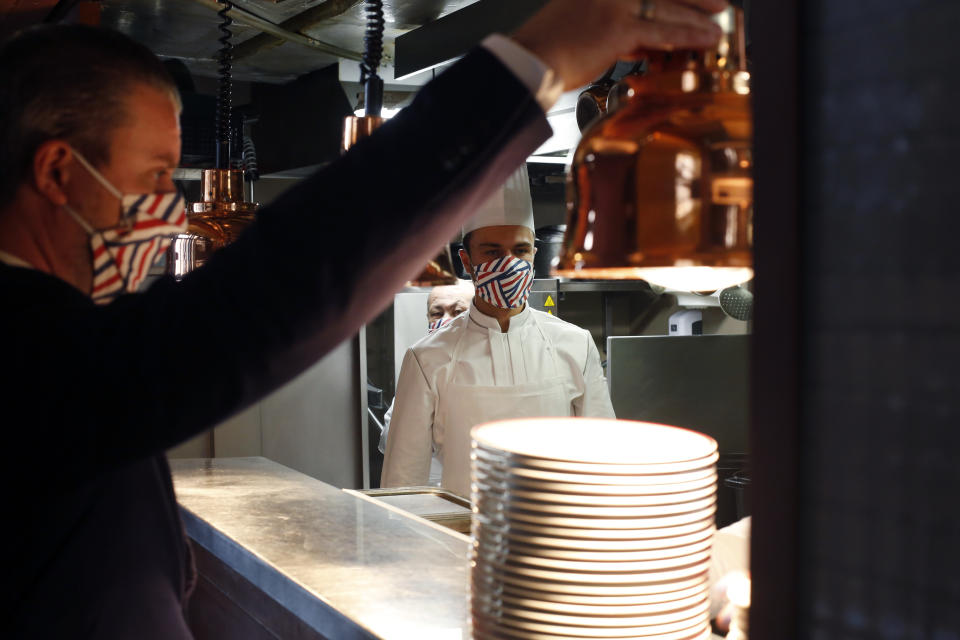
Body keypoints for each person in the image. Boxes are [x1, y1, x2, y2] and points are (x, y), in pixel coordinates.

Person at [0, 1, 728, 636]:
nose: (170, 204)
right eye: (158, 174)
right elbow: (275, 287)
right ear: (59, 172)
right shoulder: (30, 353)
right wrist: (541, 59)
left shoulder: (62, 336)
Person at [381, 166, 617, 497]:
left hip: (556, 536)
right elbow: (402, 484)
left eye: (520, 251)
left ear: (534, 255)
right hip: (460, 539)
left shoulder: (575, 345)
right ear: (466, 259)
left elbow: (604, 460)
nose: (508, 264)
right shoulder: (427, 359)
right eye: (492, 252)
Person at [377, 280, 475, 485]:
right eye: (437, 314)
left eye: (458, 312)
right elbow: (392, 442)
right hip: (426, 502)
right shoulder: (420, 367)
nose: (446, 321)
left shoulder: (491, 368)